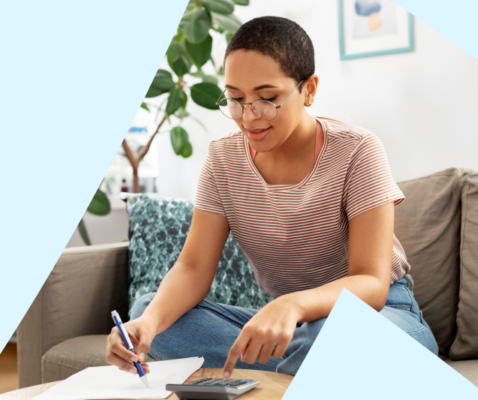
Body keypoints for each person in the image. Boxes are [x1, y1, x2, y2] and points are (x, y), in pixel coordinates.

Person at [105, 16, 438, 378]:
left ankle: (294, 367)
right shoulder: (223, 160)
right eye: (235, 99)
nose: (249, 117)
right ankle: (305, 370)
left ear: (309, 89)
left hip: (380, 316)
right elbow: (193, 268)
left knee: (325, 336)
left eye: (267, 98)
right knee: (147, 311)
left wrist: (291, 305)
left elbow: (371, 283)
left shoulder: (358, 151)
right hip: (294, 329)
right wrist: (150, 323)